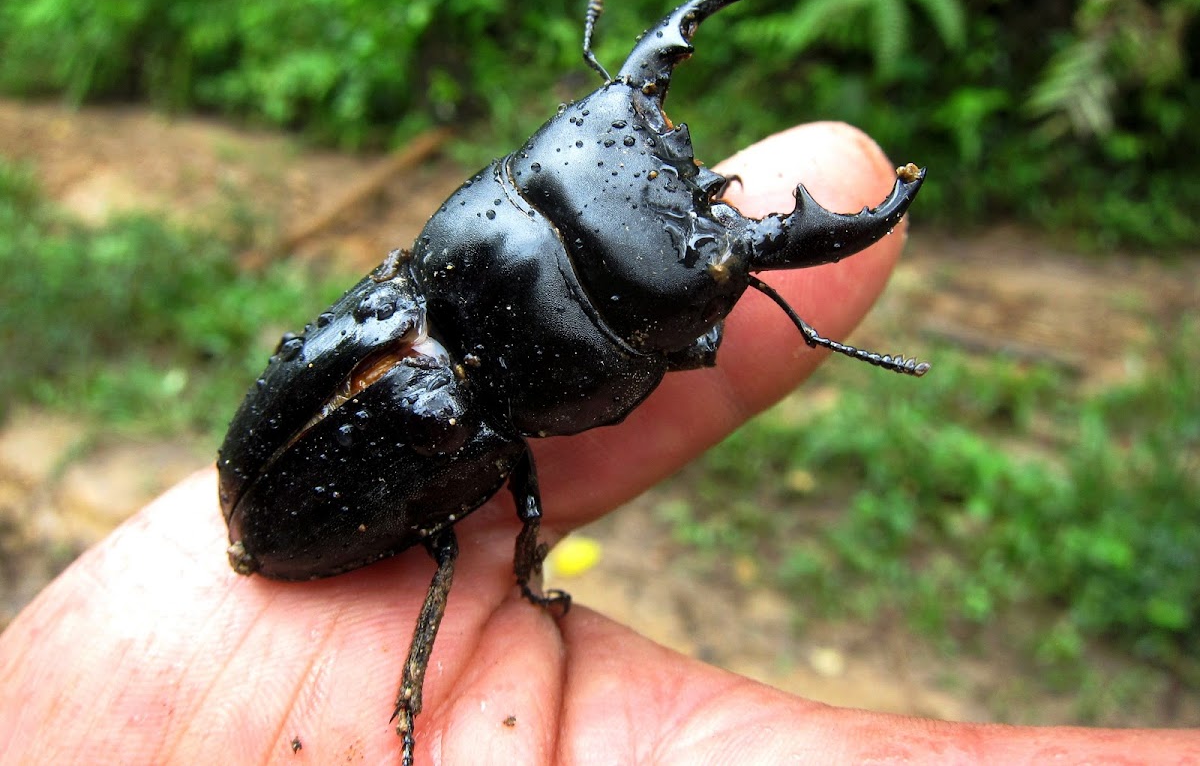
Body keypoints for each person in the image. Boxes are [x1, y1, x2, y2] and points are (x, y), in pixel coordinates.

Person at [1, 123, 1193, 763]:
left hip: (273, 465)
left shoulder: (416, 289)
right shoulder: (488, 404)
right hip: (283, 520)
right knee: (483, 543)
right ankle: (414, 688)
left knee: (479, 526)